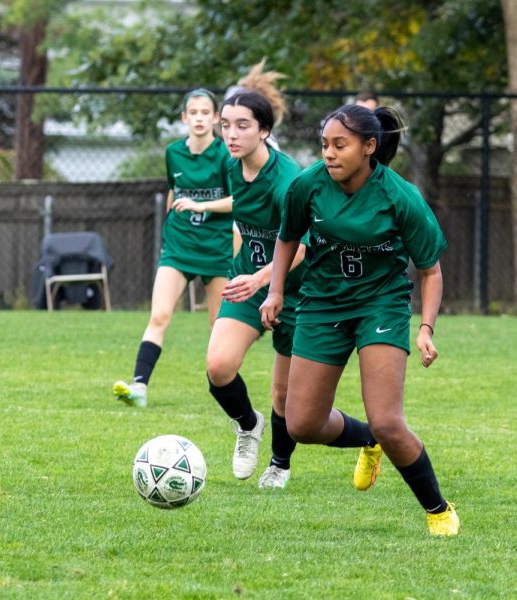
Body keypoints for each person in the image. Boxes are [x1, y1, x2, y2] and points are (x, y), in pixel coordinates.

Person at [260, 104, 460, 536]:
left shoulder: (400, 196)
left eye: (339, 145)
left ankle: (439, 510)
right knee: (303, 425)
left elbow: (430, 271)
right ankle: (370, 439)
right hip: (322, 304)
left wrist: (426, 328)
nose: (328, 154)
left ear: (369, 147)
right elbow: (287, 238)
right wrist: (275, 291)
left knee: (391, 419)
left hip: (380, 306)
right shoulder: (306, 186)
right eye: (324, 145)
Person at [205, 88, 309, 489]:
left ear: (264, 131)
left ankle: (279, 465)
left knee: (284, 395)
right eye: (226, 125)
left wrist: (268, 282)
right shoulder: (232, 166)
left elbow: (301, 244)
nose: (231, 134)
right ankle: (248, 426)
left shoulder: (288, 183)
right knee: (218, 367)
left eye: (242, 126)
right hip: (247, 281)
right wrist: (251, 276)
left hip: (294, 290)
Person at [114, 88, 234, 408]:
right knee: (160, 315)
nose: (199, 118)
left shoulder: (226, 155)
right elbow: (173, 190)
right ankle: (139, 386)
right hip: (179, 246)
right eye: (192, 113)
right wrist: (174, 215)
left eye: (205, 113)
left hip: (216, 249)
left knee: (219, 328)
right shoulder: (173, 153)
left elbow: (238, 200)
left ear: (216, 118)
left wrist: (199, 204)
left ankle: (224, 394)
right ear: (184, 118)